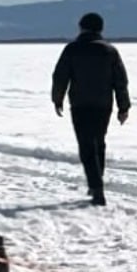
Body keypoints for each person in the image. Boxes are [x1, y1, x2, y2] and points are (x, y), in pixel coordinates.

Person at [50, 12, 130, 207]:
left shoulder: (72, 49)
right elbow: (120, 81)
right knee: (98, 142)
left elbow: (60, 76)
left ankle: (97, 188)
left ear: (82, 27)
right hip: (103, 105)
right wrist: (123, 106)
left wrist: (57, 99)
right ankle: (97, 182)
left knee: (86, 145)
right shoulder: (109, 51)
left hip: (80, 104)